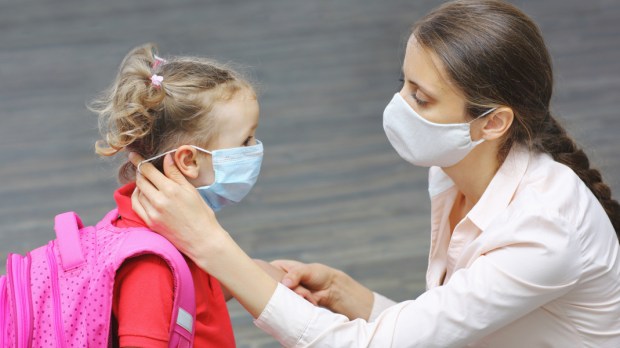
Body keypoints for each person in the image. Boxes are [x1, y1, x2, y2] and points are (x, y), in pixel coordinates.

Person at [128, 0, 620, 346]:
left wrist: (210, 245)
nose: (397, 106)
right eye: (403, 85)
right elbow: (451, 332)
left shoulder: (543, 228)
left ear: (493, 122)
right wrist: (351, 297)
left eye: (421, 98)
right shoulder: (454, 172)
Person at [90, 43, 269, 347]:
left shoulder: (178, 228)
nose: (255, 148)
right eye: (245, 141)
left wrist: (257, 277)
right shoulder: (149, 262)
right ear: (189, 161)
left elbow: (184, 301)